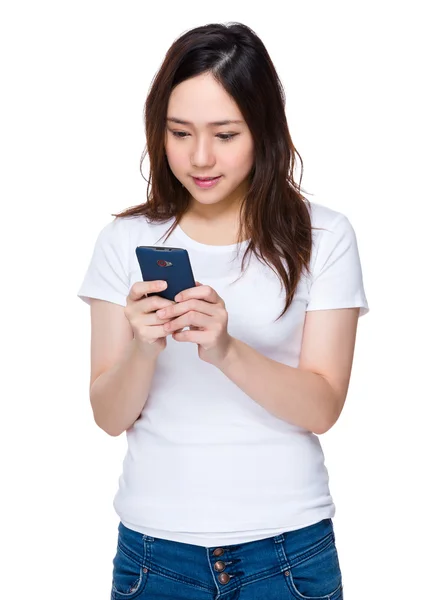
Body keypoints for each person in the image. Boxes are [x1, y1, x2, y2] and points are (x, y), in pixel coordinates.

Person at [77, 21, 369, 600]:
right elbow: (109, 417)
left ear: (263, 130)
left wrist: (227, 351)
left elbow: (323, 407)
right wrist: (143, 346)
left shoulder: (323, 236)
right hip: (154, 555)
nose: (200, 157)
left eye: (226, 134)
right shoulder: (125, 239)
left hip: (288, 551)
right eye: (180, 132)